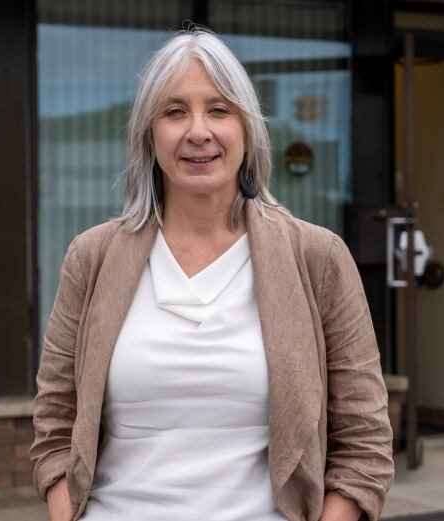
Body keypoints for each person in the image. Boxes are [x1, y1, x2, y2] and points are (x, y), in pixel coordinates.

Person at [30, 28, 394, 521]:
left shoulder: (317, 257)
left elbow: (364, 444)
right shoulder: (92, 257)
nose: (198, 131)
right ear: (148, 133)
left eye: (219, 110)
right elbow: (55, 425)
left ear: (247, 131)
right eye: (175, 111)